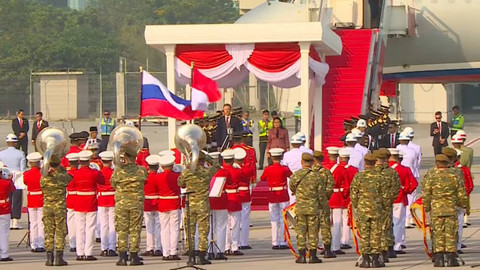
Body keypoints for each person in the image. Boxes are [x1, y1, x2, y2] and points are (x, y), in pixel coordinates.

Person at [422, 154, 468, 267]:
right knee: (451, 233)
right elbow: (462, 193)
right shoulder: (454, 175)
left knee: (438, 233)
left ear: (437, 163)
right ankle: (451, 258)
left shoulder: (431, 176)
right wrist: (463, 205)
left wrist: (427, 207)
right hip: (451, 209)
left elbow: (426, 194)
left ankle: (439, 259)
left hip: (437, 210)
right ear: (447, 163)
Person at [178, 151, 219, 265]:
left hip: (190, 204)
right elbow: (216, 165)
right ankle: (201, 256)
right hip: (203, 204)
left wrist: (188, 166)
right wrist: (207, 157)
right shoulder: (206, 172)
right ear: (203, 160)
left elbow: (180, 183)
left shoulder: (187, 172)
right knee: (203, 230)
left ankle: (191, 256)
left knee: (189, 231)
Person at [111, 149, 148, 266]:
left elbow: (112, 184)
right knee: (135, 229)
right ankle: (133, 256)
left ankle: (122, 257)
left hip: (122, 203)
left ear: (125, 158)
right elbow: (145, 181)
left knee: (122, 230)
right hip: (136, 203)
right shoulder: (141, 170)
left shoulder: (118, 171)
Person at [289, 153, 325, 264]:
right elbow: (321, 193)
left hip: (300, 207)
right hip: (313, 207)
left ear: (301, 162)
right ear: (312, 162)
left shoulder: (296, 175)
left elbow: (291, 187)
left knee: (301, 231)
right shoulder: (316, 176)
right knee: (313, 232)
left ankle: (302, 256)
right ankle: (313, 256)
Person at [350, 153, 384, 268]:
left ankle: (365, 260)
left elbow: (353, 194)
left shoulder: (358, 176)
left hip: (363, 209)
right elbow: (385, 194)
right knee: (376, 234)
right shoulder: (380, 177)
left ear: (365, 163)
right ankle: (375, 260)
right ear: (375, 162)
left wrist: (357, 205)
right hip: (376, 209)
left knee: (364, 235)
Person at [70, 151, 104, 261]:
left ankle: (80, 253)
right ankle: (88, 252)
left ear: (80, 161)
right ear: (89, 161)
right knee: (90, 228)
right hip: (91, 202)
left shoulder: (74, 174)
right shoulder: (94, 173)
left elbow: (71, 185)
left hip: (79, 201)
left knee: (80, 228)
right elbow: (102, 181)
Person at [41, 156, 72, 266]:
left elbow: (41, 185)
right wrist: (61, 169)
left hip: (47, 207)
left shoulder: (44, 177)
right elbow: (70, 179)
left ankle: (49, 258)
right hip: (59, 207)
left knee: (49, 232)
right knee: (60, 231)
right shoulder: (63, 176)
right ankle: (59, 258)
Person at [260, 148, 291, 250]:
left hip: (272, 194)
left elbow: (262, 178)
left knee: (274, 219)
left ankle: (274, 241)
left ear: (272, 158)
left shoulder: (268, 169)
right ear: (281, 157)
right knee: (283, 219)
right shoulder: (284, 168)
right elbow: (292, 176)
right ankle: (283, 241)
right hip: (282, 193)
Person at [387, 148, 417, 254]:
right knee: (398, 223)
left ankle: (386, 244)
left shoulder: (384, 169)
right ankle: (397, 245)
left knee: (386, 223)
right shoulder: (404, 169)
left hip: (385, 199)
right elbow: (413, 184)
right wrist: (405, 190)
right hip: (399, 198)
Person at [374, 148, 401, 262]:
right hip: (386, 204)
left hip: (373, 204)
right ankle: (388, 249)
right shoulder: (391, 172)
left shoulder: (372, 172)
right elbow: (396, 188)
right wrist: (389, 199)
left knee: (375, 227)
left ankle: (377, 250)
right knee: (387, 226)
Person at [324, 147, 349, 255]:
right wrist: (344, 195)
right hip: (337, 196)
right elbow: (347, 186)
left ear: (328, 156)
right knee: (337, 223)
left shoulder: (323, 168)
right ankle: (335, 246)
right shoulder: (341, 169)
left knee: (325, 223)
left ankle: (325, 245)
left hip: (325, 197)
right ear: (338, 157)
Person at [156, 155, 181, 260]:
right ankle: (173, 251)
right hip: (174, 202)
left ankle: (165, 253)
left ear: (162, 166)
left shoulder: (158, 176)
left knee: (164, 229)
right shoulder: (177, 175)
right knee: (174, 228)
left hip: (162, 203)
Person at [207, 151, 231, 260]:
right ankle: (220, 250)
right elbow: (230, 182)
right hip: (221, 200)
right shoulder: (224, 172)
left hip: (209, 200)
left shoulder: (205, 172)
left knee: (210, 227)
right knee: (221, 226)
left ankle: (209, 250)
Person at [312, 150, 335, 258]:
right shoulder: (325, 172)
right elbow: (330, 188)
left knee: (312, 226)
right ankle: (327, 249)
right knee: (325, 226)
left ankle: (312, 250)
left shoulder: (308, 172)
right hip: (323, 203)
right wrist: (325, 198)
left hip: (311, 203)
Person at [0, 134, 26, 230]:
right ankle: (15, 221)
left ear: (7, 143)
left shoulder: (1, 154)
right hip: (18, 177)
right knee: (17, 199)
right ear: (15, 143)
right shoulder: (20, 153)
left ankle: (9, 221)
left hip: (5, 176)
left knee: (7, 198)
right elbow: (23, 168)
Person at [222, 149, 244, 256]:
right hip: (235, 197)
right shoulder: (237, 170)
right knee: (235, 224)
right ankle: (234, 247)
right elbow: (244, 177)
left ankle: (226, 246)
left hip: (225, 197)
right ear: (232, 160)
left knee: (226, 224)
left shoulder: (221, 171)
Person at [23, 152, 45, 252]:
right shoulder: (43, 173)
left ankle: (34, 244)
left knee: (33, 223)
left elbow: (25, 183)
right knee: (41, 222)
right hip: (41, 198)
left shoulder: (26, 174)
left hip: (31, 199)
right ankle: (41, 244)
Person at [453, 148, 473, 254]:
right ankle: (458, 245)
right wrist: (464, 197)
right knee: (459, 224)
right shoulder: (464, 170)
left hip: (447, 203)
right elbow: (469, 186)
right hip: (460, 202)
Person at [97, 151, 117, 257]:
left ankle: (104, 248)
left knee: (104, 225)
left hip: (102, 199)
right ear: (111, 161)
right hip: (112, 199)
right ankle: (112, 247)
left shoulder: (99, 172)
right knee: (112, 224)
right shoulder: (114, 173)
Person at [338, 148, 358, 250]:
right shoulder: (354, 170)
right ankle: (345, 240)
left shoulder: (335, 168)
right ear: (348, 158)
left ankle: (335, 241)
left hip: (336, 196)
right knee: (347, 219)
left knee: (335, 220)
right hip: (348, 196)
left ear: (340, 158)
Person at [142, 155, 162, 257]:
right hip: (158, 202)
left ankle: (150, 247)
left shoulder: (145, 178)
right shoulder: (159, 177)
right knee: (158, 226)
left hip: (147, 203)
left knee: (149, 226)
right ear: (157, 167)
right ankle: (158, 247)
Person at [282, 136, 304, 205]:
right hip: (302, 176)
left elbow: (284, 166)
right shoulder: (303, 154)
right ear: (300, 144)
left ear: (291, 144)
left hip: (290, 176)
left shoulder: (286, 154)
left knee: (292, 197)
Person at [0, 167, 15, 262]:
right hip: (4, 208)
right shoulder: (6, 182)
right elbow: (13, 189)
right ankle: (4, 254)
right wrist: (10, 178)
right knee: (4, 233)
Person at [65, 153, 79, 253]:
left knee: (71, 222)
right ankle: (78, 243)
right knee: (80, 223)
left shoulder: (67, 174)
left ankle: (72, 243)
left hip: (70, 197)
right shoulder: (78, 173)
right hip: (79, 197)